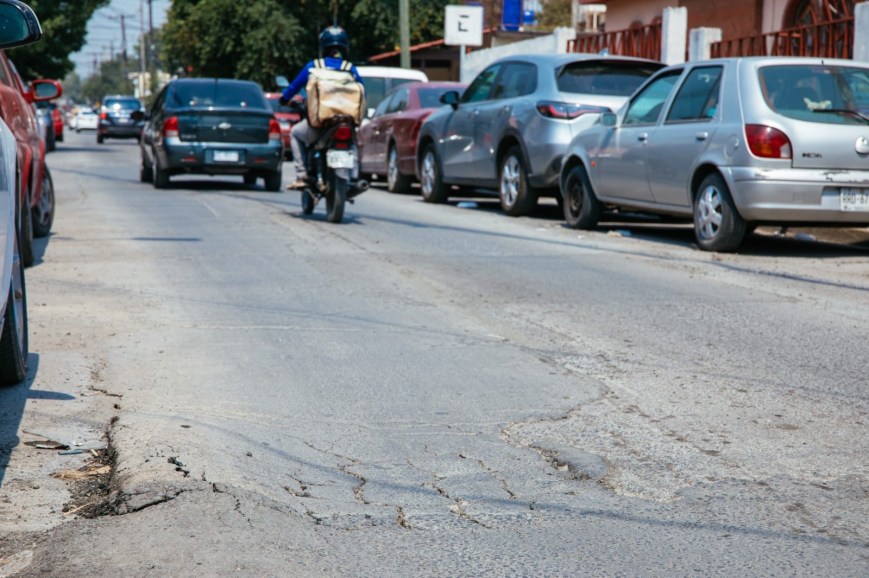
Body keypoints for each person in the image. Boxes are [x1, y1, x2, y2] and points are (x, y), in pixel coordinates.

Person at [280, 25, 362, 189]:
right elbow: (362, 92)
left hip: (319, 123)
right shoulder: (350, 68)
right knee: (353, 142)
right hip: (346, 121)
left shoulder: (313, 66)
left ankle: (302, 174)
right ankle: (353, 176)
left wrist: (284, 99)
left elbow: (293, 88)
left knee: (295, 134)